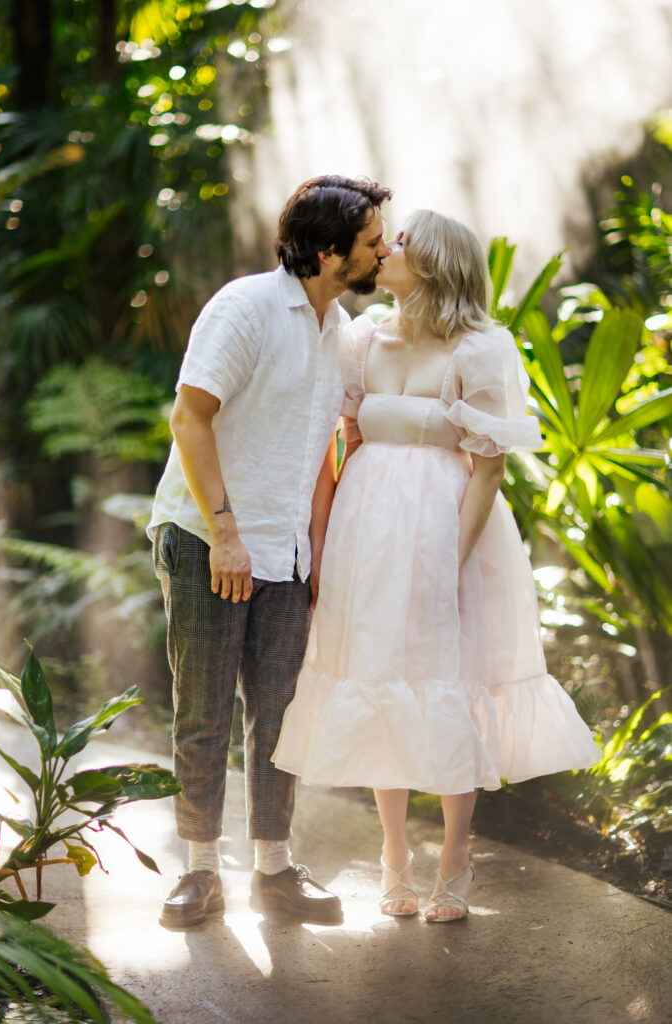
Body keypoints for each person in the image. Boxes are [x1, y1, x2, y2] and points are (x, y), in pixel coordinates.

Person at [272, 210, 601, 923]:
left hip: (449, 528)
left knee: (445, 678)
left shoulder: (481, 348)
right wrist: (327, 547)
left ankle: (456, 853)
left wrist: (446, 561)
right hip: (369, 529)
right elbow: (346, 442)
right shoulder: (360, 339)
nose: (384, 250)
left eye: (400, 244)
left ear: (435, 265)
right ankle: (395, 855)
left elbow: (487, 471)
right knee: (381, 676)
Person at [148, 174, 392, 929]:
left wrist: (315, 554)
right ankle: (197, 872)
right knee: (206, 711)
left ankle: (273, 870)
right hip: (206, 542)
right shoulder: (246, 307)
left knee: (280, 717)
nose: (383, 252)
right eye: (372, 242)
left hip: (285, 556)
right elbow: (190, 419)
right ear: (328, 252)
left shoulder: (336, 331)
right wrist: (224, 532)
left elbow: (321, 446)